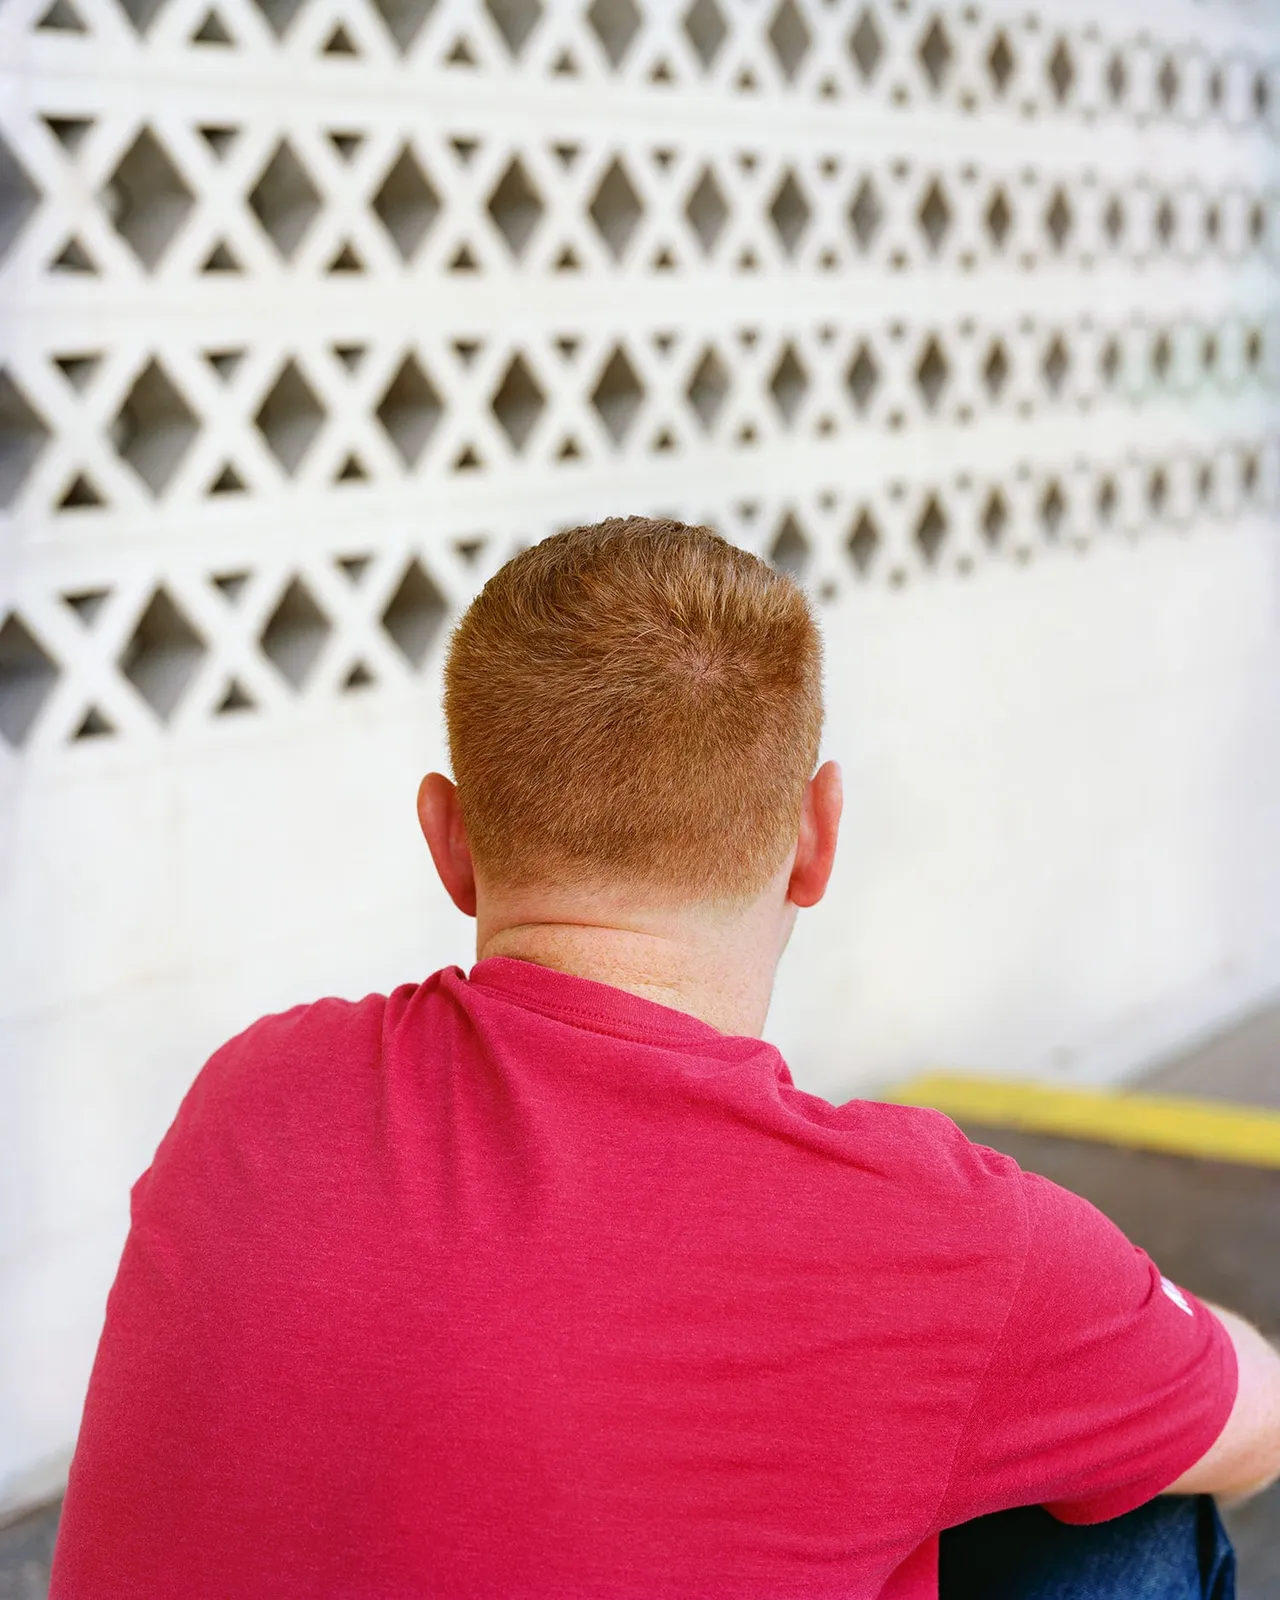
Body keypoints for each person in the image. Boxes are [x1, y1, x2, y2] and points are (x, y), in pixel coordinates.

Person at [51, 517, 1280, 1599]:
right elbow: (1253, 1419)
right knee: (1133, 1504)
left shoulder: (251, 1092)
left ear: (449, 839)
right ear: (816, 837)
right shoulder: (944, 1237)